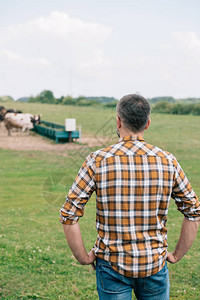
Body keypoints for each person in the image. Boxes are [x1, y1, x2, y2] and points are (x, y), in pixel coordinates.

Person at [60, 94, 200, 299]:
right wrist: (177, 255)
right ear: (147, 123)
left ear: (118, 121)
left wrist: (83, 257)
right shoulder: (168, 161)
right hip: (154, 265)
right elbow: (193, 211)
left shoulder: (97, 160)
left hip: (111, 266)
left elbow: (69, 214)